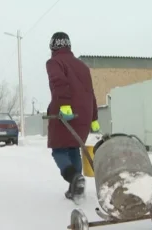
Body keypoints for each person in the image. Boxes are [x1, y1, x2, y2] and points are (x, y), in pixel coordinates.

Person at [45, 32, 100, 201]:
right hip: (84, 115)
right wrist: (94, 118)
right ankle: (75, 189)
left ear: (53, 46)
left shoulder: (54, 62)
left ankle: (74, 178)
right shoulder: (82, 66)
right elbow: (90, 92)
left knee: (59, 150)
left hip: (65, 112)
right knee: (73, 147)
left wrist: (64, 106)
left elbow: (59, 83)